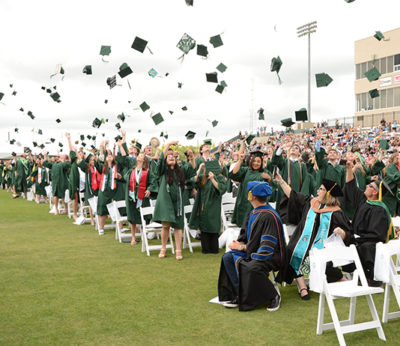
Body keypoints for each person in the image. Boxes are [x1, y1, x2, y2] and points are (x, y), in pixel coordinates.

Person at [274, 173, 352, 299]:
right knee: (292, 251)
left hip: (322, 245)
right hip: (302, 241)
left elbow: (348, 233)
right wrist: (281, 181)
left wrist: (342, 233)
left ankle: (340, 278)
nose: (317, 191)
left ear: (328, 193)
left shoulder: (336, 212)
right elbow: (293, 195)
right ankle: (302, 286)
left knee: (324, 258)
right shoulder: (310, 203)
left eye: (321, 189)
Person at [217, 181, 286, 311]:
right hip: (254, 251)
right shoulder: (253, 212)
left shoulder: (269, 216)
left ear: (252, 196)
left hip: (271, 255)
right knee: (227, 257)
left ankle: (273, 296)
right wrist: (239, 244)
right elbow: (244, 237)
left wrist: (243, 248)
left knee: (250, 266)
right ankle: (239, 294)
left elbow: (267, 246)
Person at [344, 160, 394, 286]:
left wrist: (358, 238)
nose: (366, 186)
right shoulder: (363, 200)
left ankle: (370, 276)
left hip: (369, 243)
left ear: (375, 192)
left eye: (370, 186)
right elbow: (351, 186)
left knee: (366, 247)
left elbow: (377, 235)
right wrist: (349, 169)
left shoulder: (380, 209)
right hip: (358, 239)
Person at [153, 141, 195, 260]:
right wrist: (169, 144)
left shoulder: (180, 172)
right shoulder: (162, 171)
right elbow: (160, 160)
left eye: (173, 156)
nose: (171, 157)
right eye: (168, 156)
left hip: (178, 203)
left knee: (178, 227)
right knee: (165, 226)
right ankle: (163, 248)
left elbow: (191, 168)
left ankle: (178, 249)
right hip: (166, 203)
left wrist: (191, 157)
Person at [229, 140, 272, 228]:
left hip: (259, 206)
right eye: (254, 161)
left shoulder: (265, 173)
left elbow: (271, 189)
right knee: (244, 229)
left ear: (261, 163)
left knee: (256, 229)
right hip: (244, 204)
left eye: (258, 161)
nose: (256, 163)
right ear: (251, 161)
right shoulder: (246, 171)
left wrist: (269, 179)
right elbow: (233, 174)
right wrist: (240, 160)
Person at [189, 159, 227, 254]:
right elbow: (193, 180)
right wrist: (200, 168)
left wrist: (213, 179)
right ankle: (205, 249)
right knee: (204, 227)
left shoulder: (220, 178)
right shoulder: (203, 177)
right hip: (203, 206)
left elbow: (221, 189)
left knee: (214, 226)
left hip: (214, 206)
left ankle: (214, 249)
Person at [119, 141, 152, 245]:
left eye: (142, 155)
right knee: (132, 217)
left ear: (144, 160)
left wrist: (149, 189)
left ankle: (144, 235)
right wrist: (120, 178)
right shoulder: (131, 171)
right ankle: (133, 237)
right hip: (132, 197)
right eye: (140, 155)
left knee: (145, 217)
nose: (140, 156)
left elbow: (153, 182)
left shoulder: (148, 171)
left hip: (143, 197)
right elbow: (125, 179)